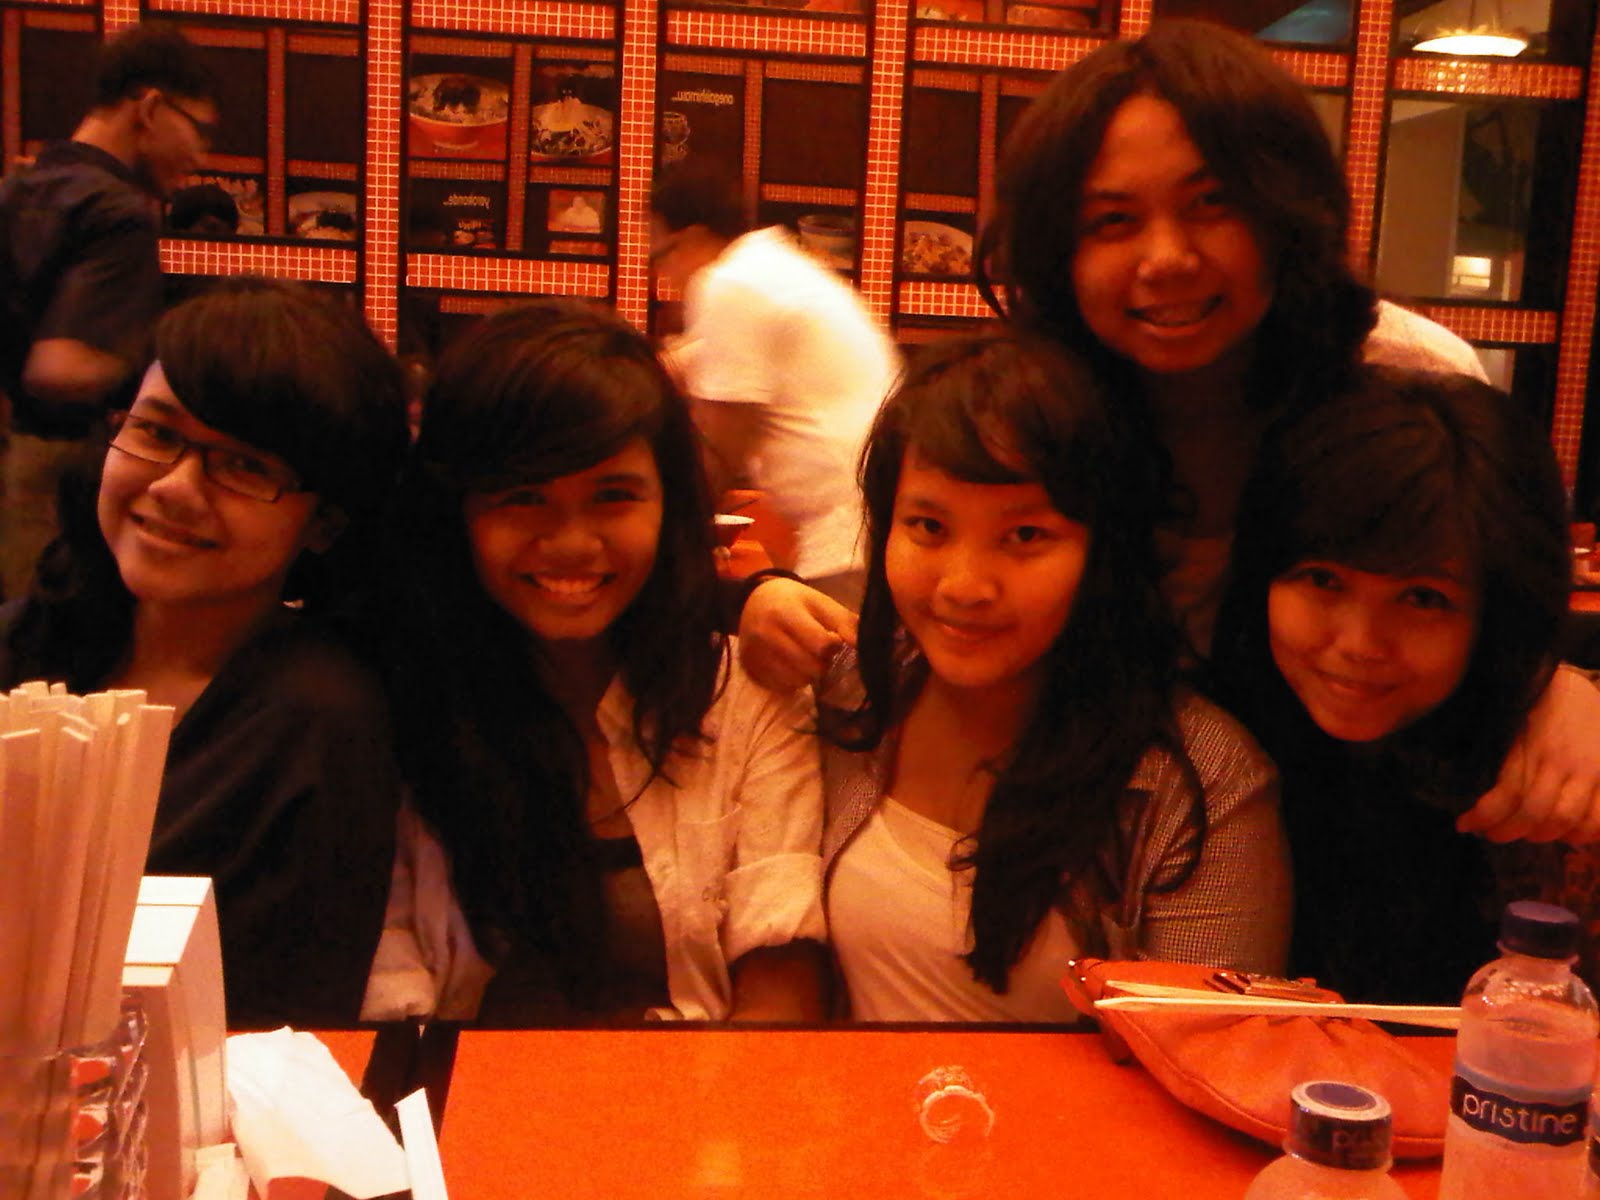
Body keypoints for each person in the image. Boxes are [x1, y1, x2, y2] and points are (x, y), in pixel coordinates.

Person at [740, 18, 1600, 847]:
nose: (1167, 259)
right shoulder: (1034, 412)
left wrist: (1559, 681)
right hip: (1115, 850)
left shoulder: (1398, 377)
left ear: (1285, 212)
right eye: (1112, 220)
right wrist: (756, 597)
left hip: (1364, 835)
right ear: (1058, 249)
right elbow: (945, 594)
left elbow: (1483, 596)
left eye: (1213, 204)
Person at [368, 299, 827, 1024]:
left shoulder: (745, 690)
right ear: (458, 510)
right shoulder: (398, 703)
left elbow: (780, 971)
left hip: (699, 1085)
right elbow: (392, 986)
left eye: (613, 496)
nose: (572, 543)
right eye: (524, 497)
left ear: (668, 504)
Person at [819, 332, 1290, 1022]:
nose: (964, 586)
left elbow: (1214, 1052)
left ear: (1104, 550)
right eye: (928, 526)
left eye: (1025, 536)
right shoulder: (851, 691)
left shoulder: (1201, 784)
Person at [0, 278, 411, 1028]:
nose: (177, 487)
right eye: (157, 434)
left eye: (245, 466)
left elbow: (287, 1031)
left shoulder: (318, 723)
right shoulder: (31, 638)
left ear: (325, 522)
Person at [1211, 365, 1584, 1002]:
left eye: (1422, 598)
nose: (1360, 643)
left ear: (1497, 614)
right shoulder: (1202, 758)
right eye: (1323, 580)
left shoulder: (1537, 795)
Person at [0, 22, 217, 598]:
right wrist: (174, 374)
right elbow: (62, 369)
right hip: (51, 480)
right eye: (197, 130)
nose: (199, 155)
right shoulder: (117, 212)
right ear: (149, 108)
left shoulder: (20, 187)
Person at [649, 160, 901, 606]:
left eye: (660, 255)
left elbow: (718, 447)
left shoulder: (730, 285)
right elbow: (686, 363)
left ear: (691, 238)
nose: (662, 276)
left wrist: (662, 542)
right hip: (873, 518)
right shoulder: (770, 268)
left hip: (848, 533)